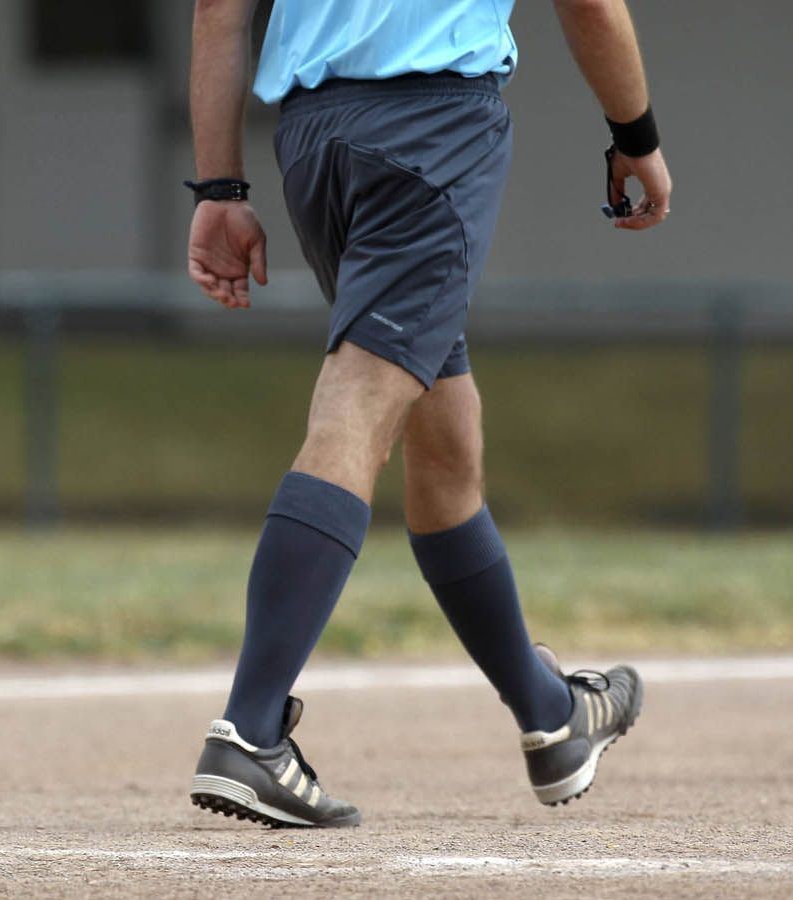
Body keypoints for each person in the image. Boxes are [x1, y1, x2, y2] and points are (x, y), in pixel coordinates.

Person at [185, 0, 672, 828]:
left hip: (313, 139)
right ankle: (251, 729)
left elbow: (218, 9)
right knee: (360, 405)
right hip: (433, 130)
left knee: (445, 433)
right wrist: (637, 137)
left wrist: (221, 187)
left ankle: (549, 713)